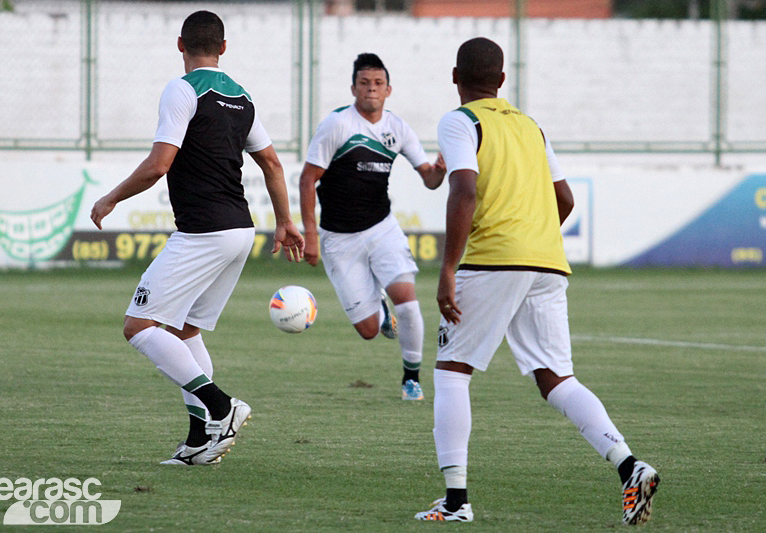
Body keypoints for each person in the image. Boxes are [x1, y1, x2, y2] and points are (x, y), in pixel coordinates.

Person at [414, 37, 660, 524]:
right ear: (502, 81)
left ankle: (457, 502)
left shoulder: (460, 121)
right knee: (556, 379)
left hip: (491, 261)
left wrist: (446, 269)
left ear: (455, 77)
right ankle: (629, 465)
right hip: (546, 262)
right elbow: (563, 200)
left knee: (451, 370)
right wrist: (534, 238)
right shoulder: (531, 127)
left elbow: (463, 190)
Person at [90, 10, 304, 466]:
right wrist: (285, 221)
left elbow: (159, 164)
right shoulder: (242, 97)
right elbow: (272, 163)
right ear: (223, 49)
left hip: (204, 231)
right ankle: (198, 442)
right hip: (240, 231)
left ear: (180, 44)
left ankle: (222, 407)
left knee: (139, 326)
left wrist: (110, 198)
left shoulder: (182, 90)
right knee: (184, 329)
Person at [299, 53, 446, 401]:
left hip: (382, 229)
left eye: (378, 83)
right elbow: (308, 180)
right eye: (364, 83)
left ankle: (411, 379)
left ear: (388, 89)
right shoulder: (336, 125)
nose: (371, 90)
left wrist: (440, 169)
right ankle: (378, 311)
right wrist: (310, 236)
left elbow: (429, 179)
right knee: (367, 331)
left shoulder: (398, 128)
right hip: (337, 239)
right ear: (353, 88)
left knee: (408, 303)